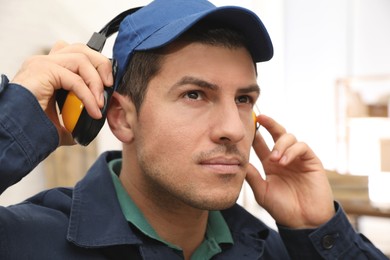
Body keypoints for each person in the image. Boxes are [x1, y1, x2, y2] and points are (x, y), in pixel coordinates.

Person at [0, 0, 387, 259]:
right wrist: (13, 121)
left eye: (244, 99)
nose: (234, 129)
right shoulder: (26, 241)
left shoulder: (276, 249)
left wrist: (318, 230)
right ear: (120, 117)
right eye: (195, 95)